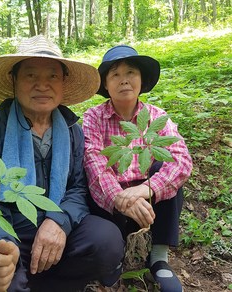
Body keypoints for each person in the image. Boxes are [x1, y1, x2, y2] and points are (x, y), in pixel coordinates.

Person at [0, 35, 125, 292]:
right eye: (30, 76)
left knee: (106, 240)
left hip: (59, 232)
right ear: (14, 80)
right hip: (10, 232)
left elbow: (78, 188)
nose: (42, 85)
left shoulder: (72, 131)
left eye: (52, 77)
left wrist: (58, 221)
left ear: (63, 83)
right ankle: (20, 273)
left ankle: (52, 282)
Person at [82, 45, 193, 292]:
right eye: (115, 75)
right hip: (111, 203)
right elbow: (93, 161)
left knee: (165, 168)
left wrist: (145, 189)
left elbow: (181, 161)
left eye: (131, 72)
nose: (124, 80)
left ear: (141, 80)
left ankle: (159, 258)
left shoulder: (156, 116)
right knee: (91, 183)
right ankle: (114, 257)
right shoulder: (93, 117)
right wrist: (121, 198)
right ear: (106, 85)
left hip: (150, 204)